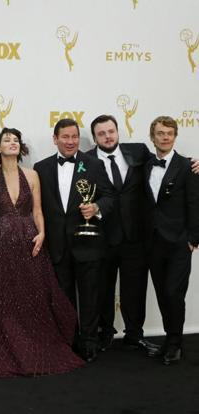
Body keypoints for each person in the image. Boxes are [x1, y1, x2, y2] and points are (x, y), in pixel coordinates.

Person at [0, 128, 84, 377]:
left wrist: (42, 233)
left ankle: (35, 346)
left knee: (31, 296)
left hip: (28, 239)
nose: (12, 143)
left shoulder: (32, 175)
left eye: (16, 140)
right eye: (6, 140)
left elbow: (38, 210)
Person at [33, 118, 116, 363]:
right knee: (63, 298)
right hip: (57, 245)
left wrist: (97, 208)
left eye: (74, 137)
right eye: (65, 137)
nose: (70, 142)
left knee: (90, 296)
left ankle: (89, 341)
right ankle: (67, 341)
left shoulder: (94, 164)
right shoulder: (41, 167)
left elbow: (109, 196)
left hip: (88, 243)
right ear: (55, 139)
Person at [86, 115, 158, 354]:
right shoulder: (85, 160)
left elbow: (163, 162)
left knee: (135, 289)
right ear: (95, 137)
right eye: (101, 134)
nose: (107, 137)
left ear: (118, 131)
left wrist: (191, 163)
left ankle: (134, 335)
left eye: (111, 131)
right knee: (103, 290)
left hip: (134, 237)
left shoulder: (138, 151)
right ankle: (106, 333)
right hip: (102, 236)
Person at [144, 116, 199, 365]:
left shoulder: (188, 166)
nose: (165, 137)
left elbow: (195, 204)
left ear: (175, 136)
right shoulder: (145, 165)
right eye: (160, 133)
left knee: (173, 292)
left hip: (179, 243)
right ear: (152, 137)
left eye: (169, 133)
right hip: (154, 243)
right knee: (162, 293)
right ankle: (169, 338)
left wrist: (193, 239)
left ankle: (176, 343)